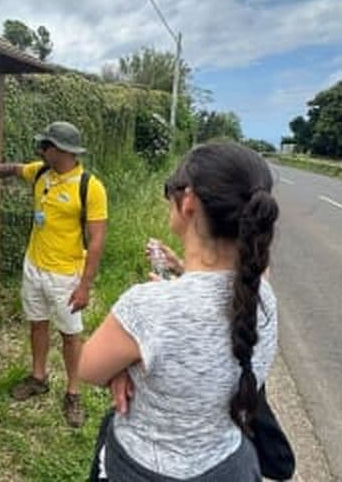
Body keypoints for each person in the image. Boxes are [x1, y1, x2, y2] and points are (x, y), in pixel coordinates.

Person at [79, 141, 279, 480]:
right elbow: (218, 297)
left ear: (188, 202)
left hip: (143, 470)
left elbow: (87, 369)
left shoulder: (148, 307)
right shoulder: (264, 296)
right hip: (231, 465)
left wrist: (124, 366)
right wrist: (183, 271)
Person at [0, 121, 108, 427]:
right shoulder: (40, 172)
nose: (40, 149)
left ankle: (73, 392)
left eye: (46, 145)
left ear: (62, 151)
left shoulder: (90, 187)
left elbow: (96, 242)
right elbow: (13, 169)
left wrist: (85, 286)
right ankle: (38, 378)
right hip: (34, 268)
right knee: (37, 326)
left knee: (70, 335)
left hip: (66, 275)